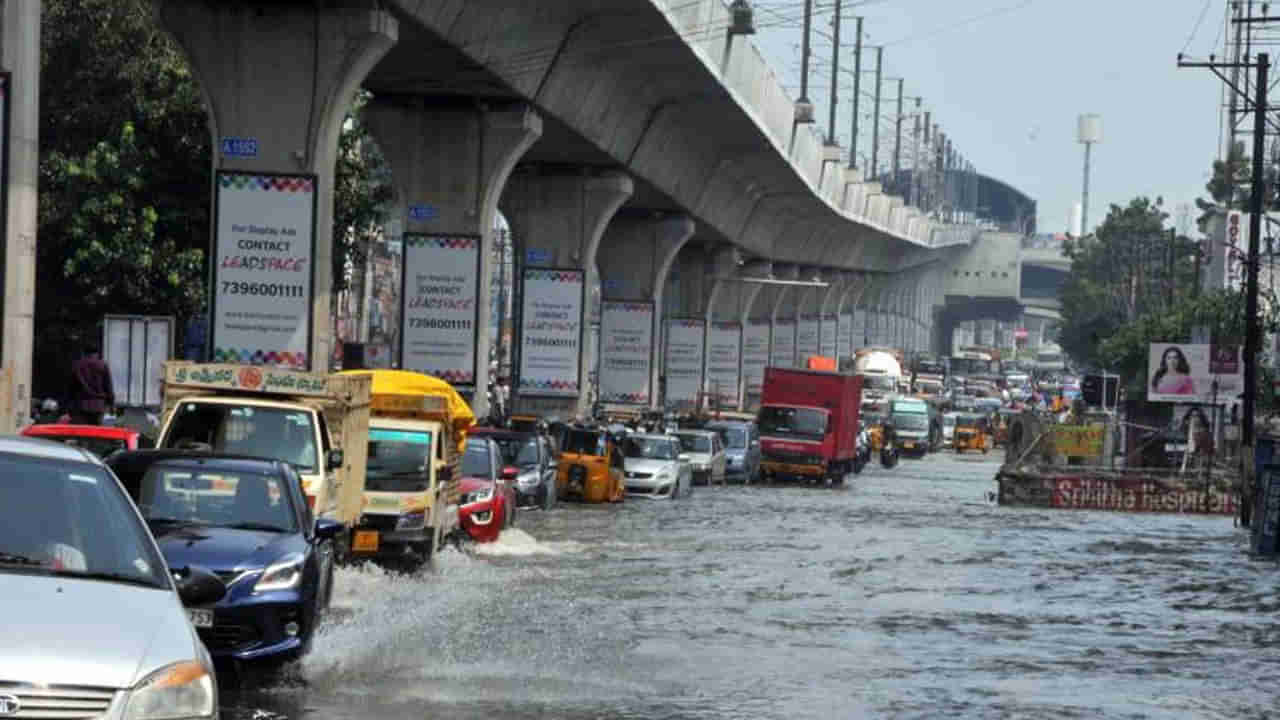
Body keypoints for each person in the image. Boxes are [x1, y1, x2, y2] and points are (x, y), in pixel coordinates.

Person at [69, 344, 115, 425]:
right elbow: (108, 387)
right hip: (99, 406)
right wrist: (111, 405)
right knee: (97, 433)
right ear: (97, 353)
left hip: (81, 405)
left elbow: (71, 388)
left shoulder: (77, 365)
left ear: (84, 353)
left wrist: (68, 406)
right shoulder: (103, 365)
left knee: (81, 433)